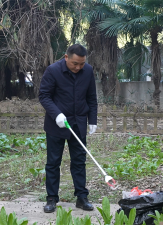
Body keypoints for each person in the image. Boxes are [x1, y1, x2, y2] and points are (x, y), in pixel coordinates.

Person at [39, 44, 98, 213]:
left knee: (79, 162)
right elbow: (44, 96)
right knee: (53, 162)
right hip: (56, 124)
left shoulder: (88, 71)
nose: (78, 67)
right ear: (66, 57)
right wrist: (56, 114)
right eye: (75, 64)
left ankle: (81, 197)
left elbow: (91, 98)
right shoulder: (53, 71)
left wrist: (92, 120)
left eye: (81, 64)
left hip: (78, 124)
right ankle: (51, 198)